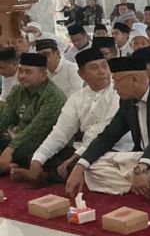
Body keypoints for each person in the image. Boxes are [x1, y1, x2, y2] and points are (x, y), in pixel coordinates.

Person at [65, 54, 150, 197]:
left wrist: (140, 168)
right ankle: (143, 184)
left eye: (116, 81)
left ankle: (138, 181)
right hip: (142, 157)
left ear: (134, 79)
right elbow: (108, 136)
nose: (114, 87)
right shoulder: (127, 102)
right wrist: (80, 166)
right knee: (93, 167)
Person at [13, 49, 129, 186]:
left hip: (113, 150)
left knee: (84, 166)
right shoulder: (77, 98)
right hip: (81, 147)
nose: (102, 71)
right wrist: (37, 160)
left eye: (104, 65)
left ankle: (45, 176)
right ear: (81, 74)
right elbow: (60, 132)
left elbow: (104, 132)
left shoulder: (119, 92)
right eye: (94, 67)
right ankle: (46, 173)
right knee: (27, 153)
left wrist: (77, 157)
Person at [0, 52, 66, 175]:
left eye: (28, 72)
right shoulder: (18, 90)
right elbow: (4, 119)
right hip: (21, 139)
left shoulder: (54, 95)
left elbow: (36, 129)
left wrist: (10, 149)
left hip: (45, 143)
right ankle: (12, 166)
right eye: (20, 71)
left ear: (43, 75)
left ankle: (14, 166)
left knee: (23, 152)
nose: (22, 76)